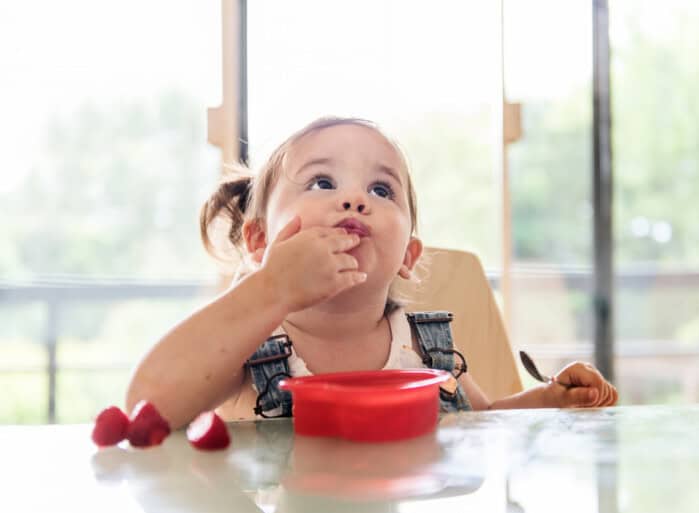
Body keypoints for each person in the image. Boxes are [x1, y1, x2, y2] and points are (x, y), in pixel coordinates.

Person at [126, 117, 618, 430]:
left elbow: (482, 427)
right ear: (260, 242)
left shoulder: (425, 348)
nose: (356, 199)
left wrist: (549, 400)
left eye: (382, 190)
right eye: (323, 182)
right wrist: (270, 289)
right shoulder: (247, 343)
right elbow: (146, 409)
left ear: (407, 253)